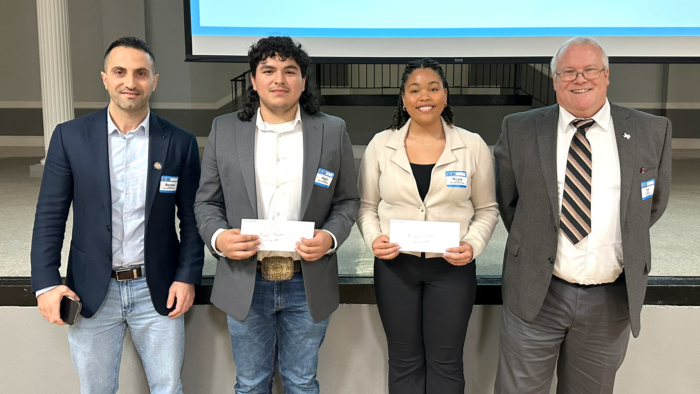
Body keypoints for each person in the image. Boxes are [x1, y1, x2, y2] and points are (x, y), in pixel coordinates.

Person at [494, 36, 672, 393]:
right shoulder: (520, 129)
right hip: (537, 294)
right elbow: (510, 203)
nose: (580, 79)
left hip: (610, 300)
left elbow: (651, 205)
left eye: (590, 70)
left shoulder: (651, 131)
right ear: (555, 80)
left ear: (606, 76)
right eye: (569, 72)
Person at [30, 36, 204, 393]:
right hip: (92, 290)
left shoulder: (180, 142)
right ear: (105, 78)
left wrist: (187, 276)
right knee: (96, 389)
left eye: (141, 73)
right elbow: (50, 216)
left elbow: (192, 219)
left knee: (168, 386)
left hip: (157, 289)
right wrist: (46, 283)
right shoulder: (69, 137)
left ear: (154, 81)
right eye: (120, 72)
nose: (130, 82)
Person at [194, 36, 359, 394]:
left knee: (302, 383)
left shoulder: (333, 130)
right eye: (268, 70)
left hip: (307, 279)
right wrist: (219, 239)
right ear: (254, 80)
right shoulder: (224, 129)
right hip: (245, 278)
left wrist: (329, 239)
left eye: (290, 71)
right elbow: (206, 203)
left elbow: (347, 201)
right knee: (251, 384)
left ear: (303, 80)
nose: (279, 79)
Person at [357, 58, 499, 393]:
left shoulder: (472, 145)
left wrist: (473, 245)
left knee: (446, 362)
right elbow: (366, 208)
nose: (425, 96)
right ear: (403, 98)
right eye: (415, 89)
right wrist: (374, 238)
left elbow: (488, 209)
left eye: (433, 88)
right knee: (404, 361)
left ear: (445, 96)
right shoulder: (380, 145)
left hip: (451, 269)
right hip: (395, 268)